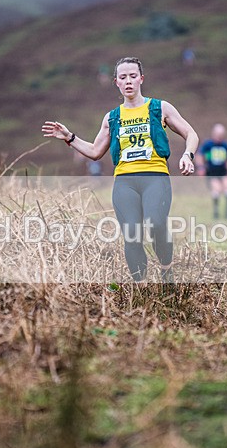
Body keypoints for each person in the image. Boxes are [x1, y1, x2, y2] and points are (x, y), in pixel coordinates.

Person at [42, 57, 199, 282]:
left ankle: (166, 271)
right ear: (116, 82)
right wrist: (69, 137)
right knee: (132, 235)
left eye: (133, 76)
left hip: (155, 177)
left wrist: (188, 155)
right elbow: (96, 151)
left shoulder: (159, 107)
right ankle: (140, 287)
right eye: (123, 77)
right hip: (124, 182)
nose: (128, 81)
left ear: (141, 79)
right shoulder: (112, 117)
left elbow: (191, 133)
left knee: (156, 223)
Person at [197, 123, 227, 219]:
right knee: (216, 193)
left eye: (221, 136)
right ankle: (216, 212)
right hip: (212, 173)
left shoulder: (225, 145)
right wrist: (201, 167)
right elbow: (199, 156)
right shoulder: (208, 145)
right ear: (213, 134)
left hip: (223, 172)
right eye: (218, 135)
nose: (219, 138)